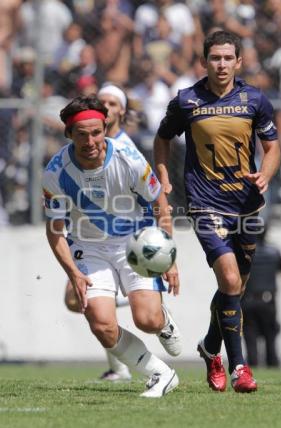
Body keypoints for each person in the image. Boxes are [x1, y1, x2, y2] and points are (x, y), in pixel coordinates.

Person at [154, 30, 281, 393]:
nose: (221, 64)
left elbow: (272, 148)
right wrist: (163, 174)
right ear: (204, 61)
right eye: (215, 58)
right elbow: (162, 138)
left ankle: (210, 348)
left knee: (235, 287)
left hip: (247, 204)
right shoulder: (187, 101)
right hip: (205, 202)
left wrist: (266, 174)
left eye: (228, 58)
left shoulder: (254, 100)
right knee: (228, 280)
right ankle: (239, 366)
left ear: (238, 62)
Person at [43, 94, 181, 398]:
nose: (91, 141)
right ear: (69, 134)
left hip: (135, 243)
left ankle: (164, 320)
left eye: (96, 132)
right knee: (102, 324)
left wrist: (168, 257)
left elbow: (160, 203)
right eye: (82, 134)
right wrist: (74, 274)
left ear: (105, 128)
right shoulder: (55, 172)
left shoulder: (128, 158)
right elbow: (55, 231)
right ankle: (160, 374)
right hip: (89, 248)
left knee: (147, 320)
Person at [64, 84, 138, 382]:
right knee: (76, 301)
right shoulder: (88, 141)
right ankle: (119, 365)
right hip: (88, 237)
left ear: (121, 111)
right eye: (103, 101)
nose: (107, 106)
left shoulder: (124, 149)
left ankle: (121, 366)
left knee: (81, 300)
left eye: (113, 102)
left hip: (119, 239)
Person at [241, 226, 281, 367]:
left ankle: (252, 371)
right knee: (271, 339)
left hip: (248, 301)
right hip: (268, 301)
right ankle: (273, 366)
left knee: (250, 340)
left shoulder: (245, 252)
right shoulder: (275, 251)